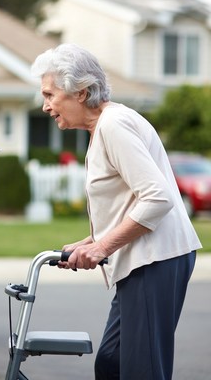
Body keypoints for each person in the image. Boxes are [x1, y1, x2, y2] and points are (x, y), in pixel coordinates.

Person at [31, 43, 202, 380]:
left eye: (50, 94)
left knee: (142, 370)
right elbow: (128, 204)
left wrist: (102, 248)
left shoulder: (113, 125)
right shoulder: (103, 128)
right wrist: (88, 243)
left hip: (155, 259)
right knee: (111, 362)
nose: (45, 105)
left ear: (80, 92)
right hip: (140, 259)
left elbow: (157, 198)